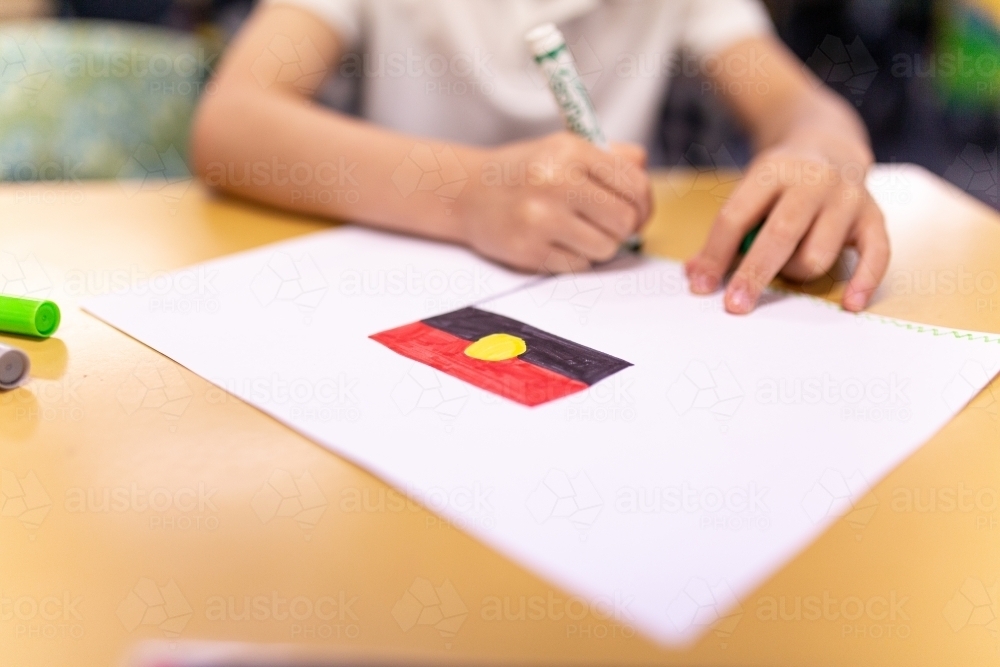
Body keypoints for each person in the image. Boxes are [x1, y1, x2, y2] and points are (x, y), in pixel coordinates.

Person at [192, 0, 889, 314]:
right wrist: (466, 194)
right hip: (387, 302)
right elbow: (230, 122)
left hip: (602, 301)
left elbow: (800, 106)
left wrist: (824, 150)